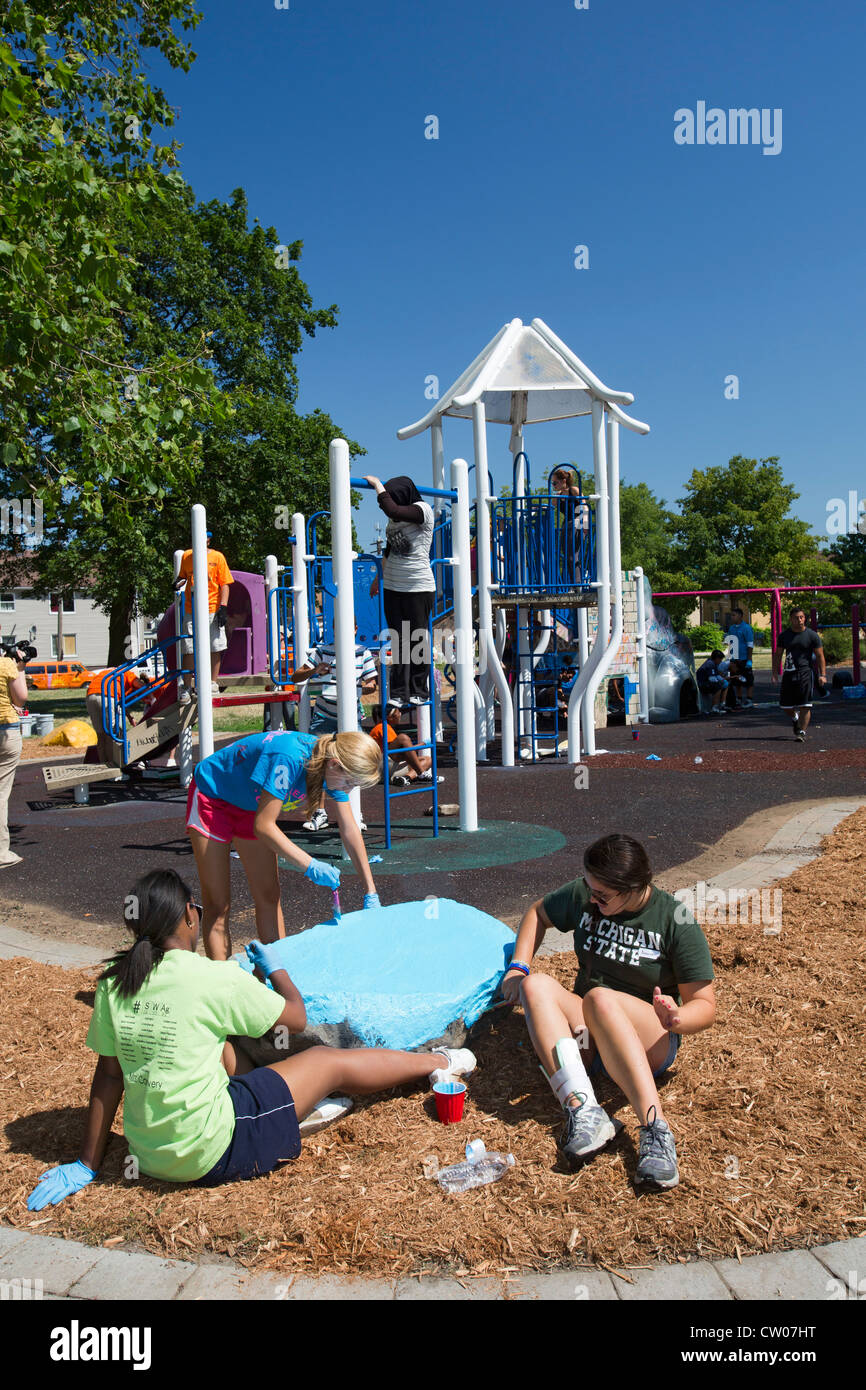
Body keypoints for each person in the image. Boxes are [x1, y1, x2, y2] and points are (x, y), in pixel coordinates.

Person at [26, 869, 476, 1206]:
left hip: (150, 1153)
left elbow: (109, 1076)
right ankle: (440, 1063)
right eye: (196, 910)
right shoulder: (212, 977)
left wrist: (87, 1163)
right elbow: (295, 1019)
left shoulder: (114, 982)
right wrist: (277, 968)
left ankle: (288, 1106)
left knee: (220, 1044)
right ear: (188, 915)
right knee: (326, 1061)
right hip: (214, 1151)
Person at [500, 833, 715, 1189]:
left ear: (633, 888)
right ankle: (584, 1110)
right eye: (590, 889)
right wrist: (518, 967)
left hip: (649, 1039)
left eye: (602, 896)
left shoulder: (674, 919)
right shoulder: (588, 893)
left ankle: (655, 1130)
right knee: (535, 985)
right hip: (590, 1036)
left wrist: (677, 1017)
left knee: (601, 997)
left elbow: (705, 1006)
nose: (592, 899)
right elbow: (538, 912)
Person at [186, 729, 383, 960]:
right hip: (213, 798)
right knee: (218, 904)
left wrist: (371, 890)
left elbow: (349, 828)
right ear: (334, 764)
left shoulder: (332, 770)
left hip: (252, 806)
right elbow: (264, 826)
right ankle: (222, 978)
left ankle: (277, 972)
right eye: (349, 782)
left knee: (269, 895)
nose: (348, 789)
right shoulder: (289, 757)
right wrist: (310, 865)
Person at [287, 628, 378, 832]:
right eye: (338, 628)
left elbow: (372, 683)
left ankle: (354, 812)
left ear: (355, 629)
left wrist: (360, 688)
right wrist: (315, 670)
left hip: (350, 716)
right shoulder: (323, 651)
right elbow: (296, 676)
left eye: (348, 627)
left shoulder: (362, 652)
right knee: (315, 764)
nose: (342, 632)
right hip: (323, 714)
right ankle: (319, 812)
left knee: (353, 764)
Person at [366, 475, 435, 707]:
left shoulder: (423, 510)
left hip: (418, 586)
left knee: (417, 639)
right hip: (393, 586)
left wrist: (377, 485)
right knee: (398, 640)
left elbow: (392, 509)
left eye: (394, 497)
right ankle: (398, 693)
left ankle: (419, 690)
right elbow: (390, 549)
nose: (392, 503)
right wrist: (378, 579)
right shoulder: (394, 519)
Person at [174, 530, 234, 702]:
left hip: (212, 607)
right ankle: (187, 686)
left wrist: (223, 607)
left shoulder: (217, 557)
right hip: (191, 609)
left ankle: (212, 683)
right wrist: (177, 582)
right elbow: (182, 577)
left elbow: (225, 584)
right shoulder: (187, 556)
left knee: (214, 646)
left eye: (206, 537)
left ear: (209, 540)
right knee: (189, 648)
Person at [773, 606, 827, 741]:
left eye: (802, 617)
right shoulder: (784, 636)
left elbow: (820, 656)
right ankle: (794, 717)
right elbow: (778, 655)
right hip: (789, 674)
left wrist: (823, 675)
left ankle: (801, 732)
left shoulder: (812, 635)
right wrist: (774, 674)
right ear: (791, 619)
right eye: (796, 618)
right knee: (785, 706)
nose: (800, 620)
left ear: (805, 618)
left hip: (806, 674)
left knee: (805, 705)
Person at [0, 640, 30, 869]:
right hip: (5, 730)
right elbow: (21, 698)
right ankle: (1, 852)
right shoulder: (5, 665)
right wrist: (20, 667)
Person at [85, 666, 150, 766]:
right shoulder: (127, 672)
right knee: (112, 734)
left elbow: (120, 702)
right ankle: (113, 765)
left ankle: (103, 764)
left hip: (90, 696)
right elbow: (139, 684)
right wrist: (152, 698)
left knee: (101, 735)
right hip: (107, 696)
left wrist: (129, 717)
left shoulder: (109, 672)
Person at [369, 703, 442, 786]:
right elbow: (402, 752)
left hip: (388, 768)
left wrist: (421, 745)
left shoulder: (385, 727)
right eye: (398, 712)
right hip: (380, 768)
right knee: (403, 738)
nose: (400, 714)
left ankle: (405, 778)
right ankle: (421, 774)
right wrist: (423, 744)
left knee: (427, 760)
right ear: (390, 717)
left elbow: (404, 753)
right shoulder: (382, 727)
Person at [551, 468, 590, 588]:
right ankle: (575, 583)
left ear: (564, 481)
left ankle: (577, 584)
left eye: (555, 483)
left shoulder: (574, 490)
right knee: (568, 556)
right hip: (567, 525)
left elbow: (584, 506)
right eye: (552, 483)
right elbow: (549, 506)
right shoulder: (558, 496)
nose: (553, 485)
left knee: (573, 555)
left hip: (577, 522)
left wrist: (585, 523)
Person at [725, 608, 755, 709]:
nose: (732, 617)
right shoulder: (731, 628)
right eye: (731, 615)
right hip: (735, 659)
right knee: (736, 679)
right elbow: (730, 643)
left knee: (748, 680)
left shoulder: (746, 628)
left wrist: (749, 659)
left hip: (744, 658)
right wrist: (730, 657)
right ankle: (739, 699)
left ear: (740, 616)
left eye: (734, 615)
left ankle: (749, 699)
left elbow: (750, 644)